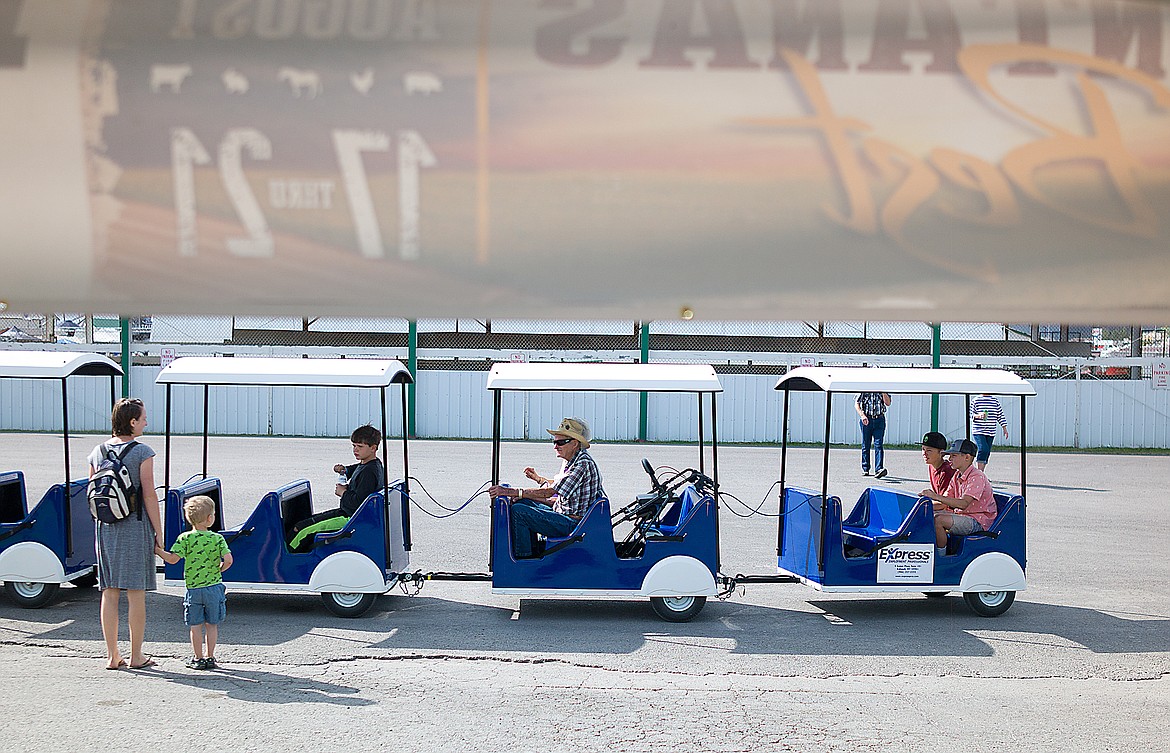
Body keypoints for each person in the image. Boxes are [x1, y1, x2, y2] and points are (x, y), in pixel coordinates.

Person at [88, 397, 161, 670]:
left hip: (106, 527)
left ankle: (111, 655)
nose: (146, 422)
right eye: (143, 418)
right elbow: (149, 495)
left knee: (109, 592)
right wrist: (158, 533)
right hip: (134, 525)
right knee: (136, 593)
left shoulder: (98, 451)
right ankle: (136, 655)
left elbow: (94, 493)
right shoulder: (143, 452)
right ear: (132, 422)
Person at [488, 417, 605, 559]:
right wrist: (536, 481)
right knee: (521, 503)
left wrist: (511, 492)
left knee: (519, 512)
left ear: (575, 443)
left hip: (573, 523)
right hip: (563, 512)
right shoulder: (571, 461)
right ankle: (532, 549)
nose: (555, 446)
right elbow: (557, 488)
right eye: (554, 442)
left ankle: (524, 560)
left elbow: (551, 492)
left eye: (560, 442)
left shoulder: (582, 464)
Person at [155, 495, 233, 670]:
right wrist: (219, 569)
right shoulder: (217, 539)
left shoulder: (185, 539)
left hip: (194, 589)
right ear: (209, 518)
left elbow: (173, 559)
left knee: (195, 625)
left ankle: (198, 658)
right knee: (212, 624)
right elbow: (228, 560)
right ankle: (210, 657)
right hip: (214, 588)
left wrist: (158, 551)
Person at [288, 424, 385, 551]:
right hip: (346, 512)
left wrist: (343, 493)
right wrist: (344, 470)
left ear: (373, 448)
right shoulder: (370, 464)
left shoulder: (369, 472)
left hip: (351, 518)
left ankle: (286, 558)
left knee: (301, 530)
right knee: (302, 524)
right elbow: (356, 469)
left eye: (360, 447)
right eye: (354, 446)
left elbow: (358, 503)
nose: (355, 450)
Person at [920, 438, 997, 549]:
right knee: (929, 516)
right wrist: (922, 506)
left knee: (939, 520)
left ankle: (941, 556)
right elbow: (944, 502)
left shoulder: (977, 476)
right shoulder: (957, 475)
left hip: (978, 520)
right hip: (963, 515)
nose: (949, 459)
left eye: (954, 456)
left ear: (967, 457)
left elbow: (963, 503)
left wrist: (935, 496)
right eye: (950, 456)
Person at [855, 391, 891, 478]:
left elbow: (888, 403)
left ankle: (879, 469)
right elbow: (857, 404)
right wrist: (862, 415)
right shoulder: (865, 388)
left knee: (878, 444)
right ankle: (865, 468)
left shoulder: (883, 390)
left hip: (879, 419)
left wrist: (883, 392)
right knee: (866, 444)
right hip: (867, 419)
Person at [970, 394, 1009, 470]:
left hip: (990, 431)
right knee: (983, 449)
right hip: (979, 430)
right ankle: (979, 472)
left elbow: (1000, 415)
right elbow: (970, 414)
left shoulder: (995, 401)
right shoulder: (976, 400)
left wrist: (1004, 428)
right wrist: (978, 416)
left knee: (987, 451)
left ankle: (981, 472)